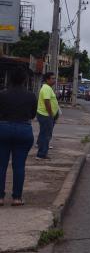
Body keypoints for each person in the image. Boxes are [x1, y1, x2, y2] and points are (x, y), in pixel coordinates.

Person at [0, 67, 37, 206]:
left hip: (3, 129)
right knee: (19, 165)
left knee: (1, 165)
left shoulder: (2, 94)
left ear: (10, 79)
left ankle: (0, 197)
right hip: (23, 130)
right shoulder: (31, 95)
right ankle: (17, 198)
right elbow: (33, 115)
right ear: (24, 80)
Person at [36, 72, 59, 160]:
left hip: (46, 115)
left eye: (54, 78)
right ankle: (41, 154)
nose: (54, 80)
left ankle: (42, 152)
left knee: (44, 134)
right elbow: (47, 102)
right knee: (46, 135)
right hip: (46, 115)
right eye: (52, 78)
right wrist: (51, 114)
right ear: (47, 79)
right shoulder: (46, 88)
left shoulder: (48, 88)